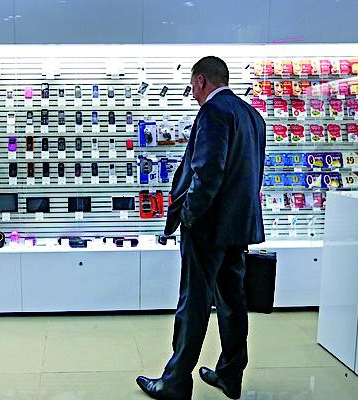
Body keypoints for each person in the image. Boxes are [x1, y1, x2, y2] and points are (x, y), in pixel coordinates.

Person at [136, 56, 266, 400]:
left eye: (192, 86)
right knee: (232, 301)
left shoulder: (212, 112)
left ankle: (175, 381)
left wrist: (190, 216)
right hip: (238, 225)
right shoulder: (253, 116)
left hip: (208, 226)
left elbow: (207, 171)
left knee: (194, 301)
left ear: (201, 81)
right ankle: (230, 375)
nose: (192, 93)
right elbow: (253, 173)